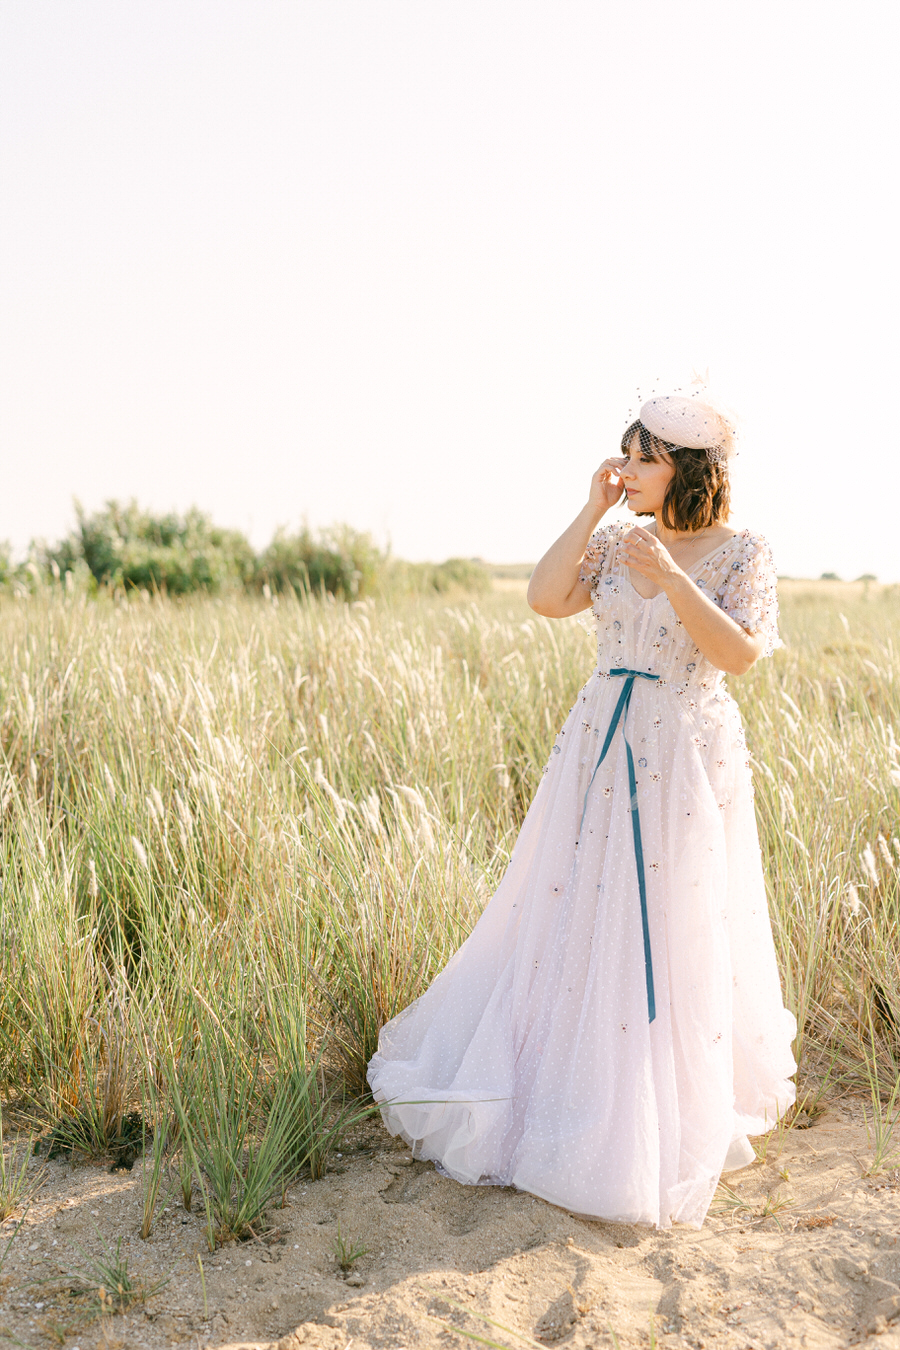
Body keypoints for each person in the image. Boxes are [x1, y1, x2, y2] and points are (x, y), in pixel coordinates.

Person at [367, 392, 796, 1229]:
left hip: (684, 748)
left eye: (643, 459)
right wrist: (591, 506)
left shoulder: (742, 551)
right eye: (625, 457)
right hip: (600, 735)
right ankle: (557, 1082)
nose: (628, 471)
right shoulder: (610, 541)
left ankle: (655, 1100)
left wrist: (673, 578)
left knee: (672, 913)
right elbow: (545, 596)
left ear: (689, 469)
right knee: (573, 901)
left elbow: (739, 655)